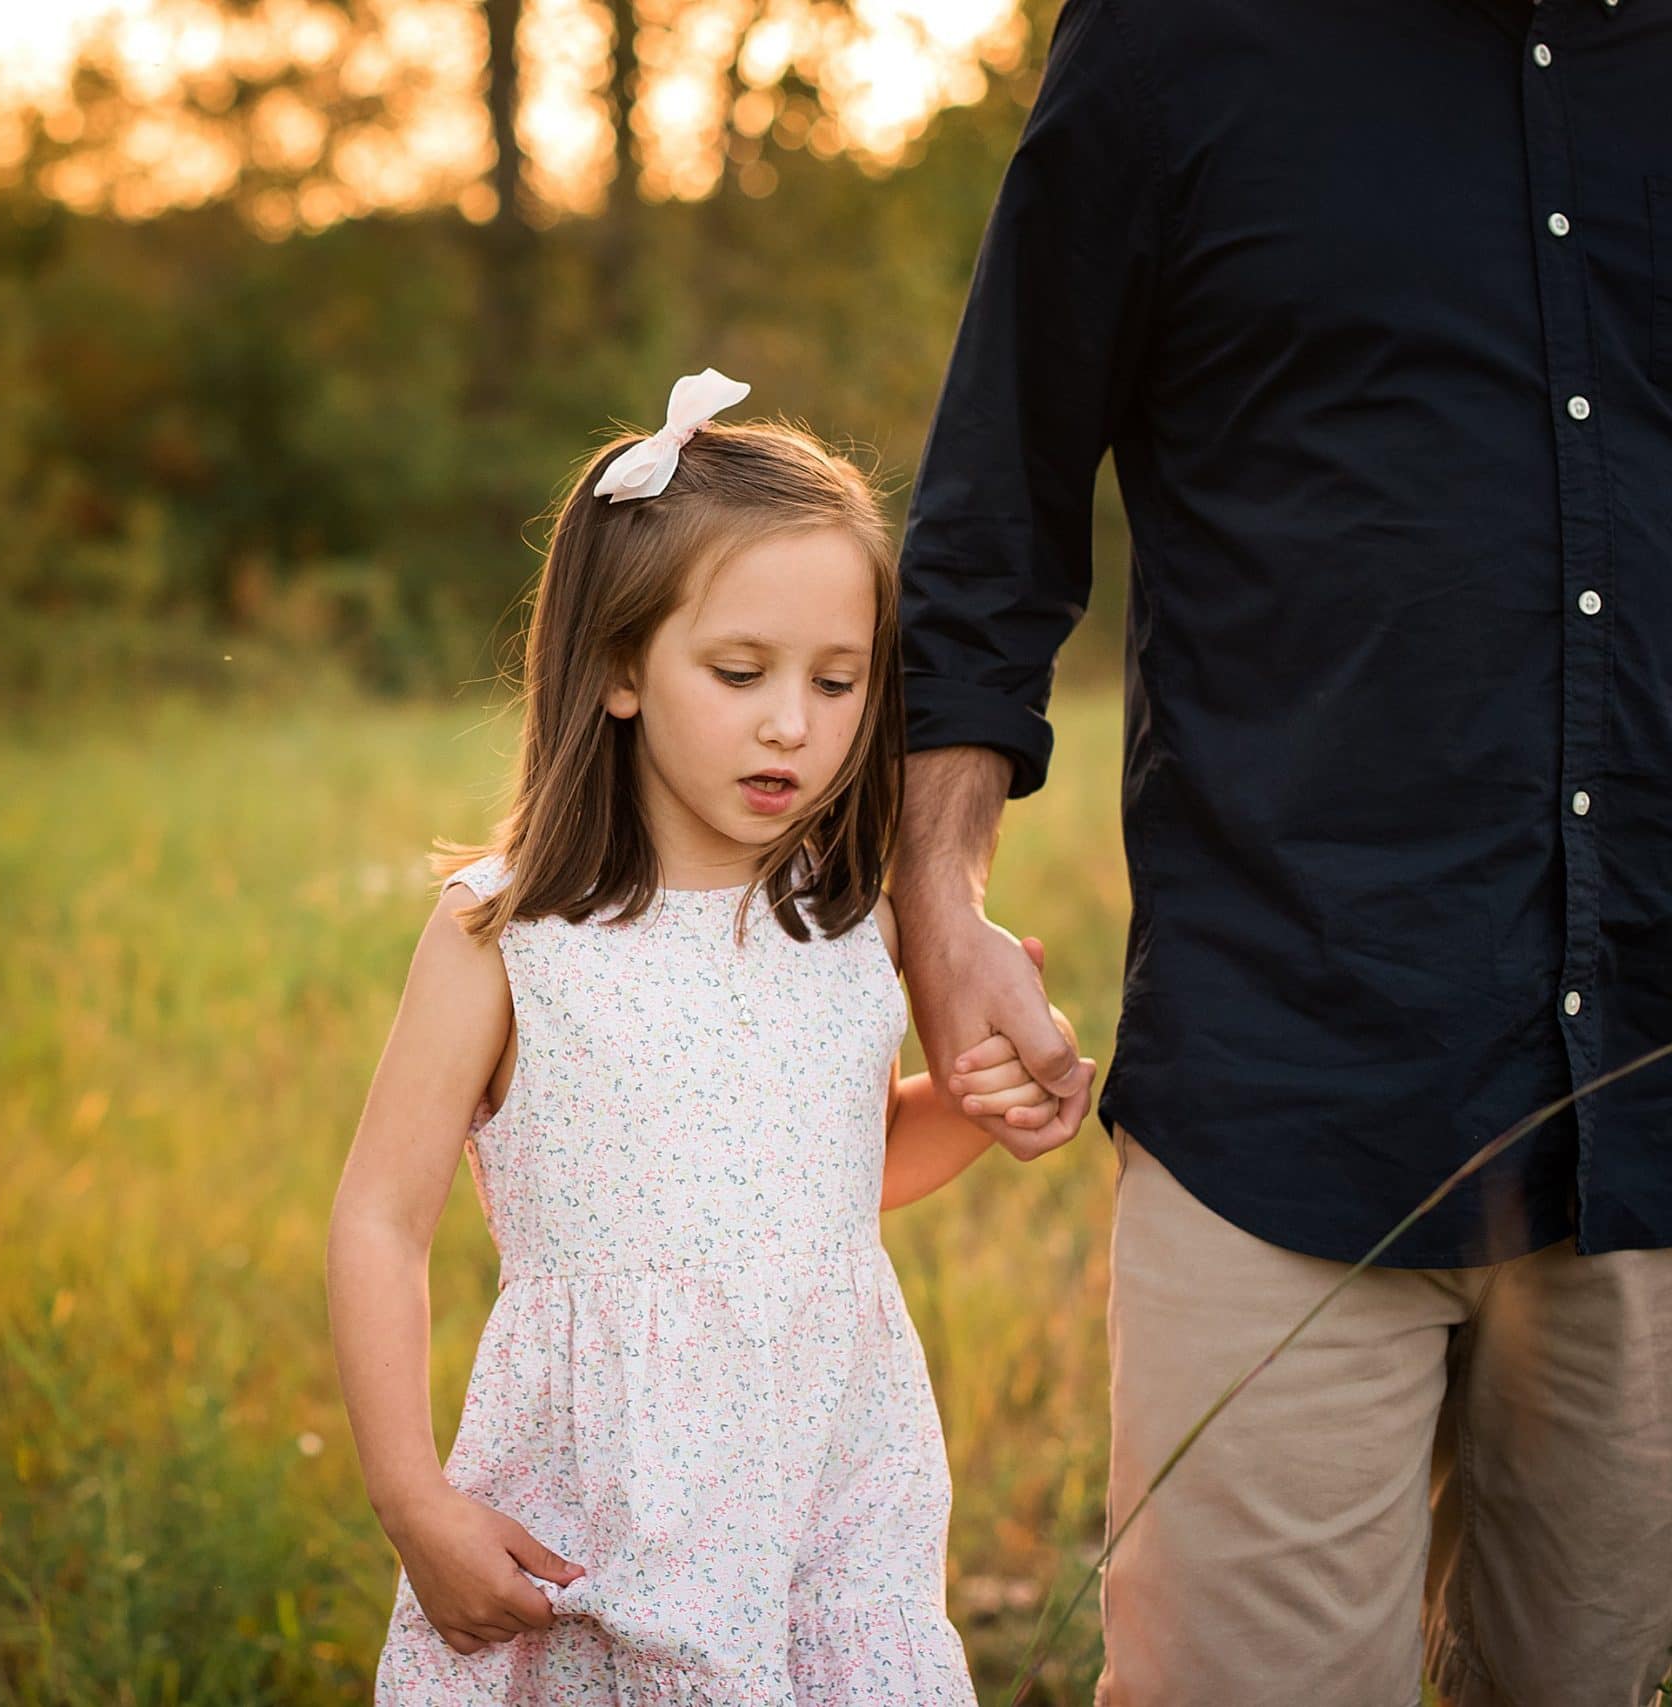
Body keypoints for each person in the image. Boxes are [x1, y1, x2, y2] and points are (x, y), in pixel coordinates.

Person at [891, 2, 1672, 1702]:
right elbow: (995, 507)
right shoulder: (1177, 39)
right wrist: (933, 900)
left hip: (1655, 1100)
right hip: (1288, 1082)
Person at [327, 370, 1092, 1703]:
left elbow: (829, 1180)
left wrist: (971, 1109)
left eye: (839, 681)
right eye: (741, 672)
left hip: (829, 1505)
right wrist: (414, 1501)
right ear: (621, 667)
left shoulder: (851, 919)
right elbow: (378, 1223)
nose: (792, 721)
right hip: (597, 1516)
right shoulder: (507, 934)